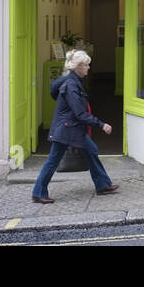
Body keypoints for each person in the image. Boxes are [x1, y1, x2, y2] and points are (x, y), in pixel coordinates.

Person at [32, 49, 118, 204]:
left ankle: (103, 185)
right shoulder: (71, 86)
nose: (88, 68)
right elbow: (80, 113)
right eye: (86, 65)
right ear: (77, 67)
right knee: (53, 160)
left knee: (91, 150)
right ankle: (38, 192)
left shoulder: (72, 82)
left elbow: (55, 94)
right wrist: (101, 124)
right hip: (66, 129)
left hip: (73, 127)